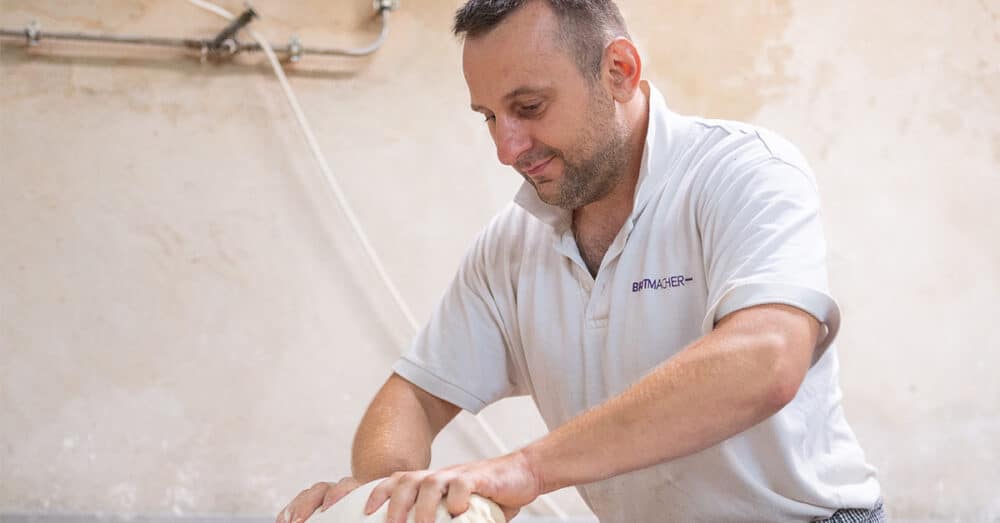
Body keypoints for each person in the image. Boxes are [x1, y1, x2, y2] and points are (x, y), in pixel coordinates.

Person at [278, 1, 884, 522]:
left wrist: (527, 468)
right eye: (489, 117)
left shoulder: (743, 172)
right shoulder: (511, 246)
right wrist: (386, 495)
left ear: (619, 71)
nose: (506, 148)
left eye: (529, 107)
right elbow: (413, 397)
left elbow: (766, 358)